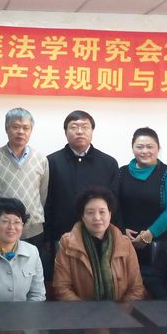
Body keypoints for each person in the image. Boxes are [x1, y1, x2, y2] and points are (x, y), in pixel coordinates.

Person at [45, 111, 119, 265]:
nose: (79, 131)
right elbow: (47, 202)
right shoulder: (51, 162)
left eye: (85, 127)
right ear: (65, 132)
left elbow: (114, 204)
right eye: (74, 127)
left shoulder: (109, 163)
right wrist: (47, 237)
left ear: (92, 131)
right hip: (61, 235)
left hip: (100, 235)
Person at [53, 186, 144, 301]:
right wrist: (84, 310)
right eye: (90, 212)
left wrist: (121, 310)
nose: (97, 217)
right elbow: (61, 288)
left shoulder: (125, 244)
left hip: (120, 310)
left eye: (102, 212)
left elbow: (136, 288)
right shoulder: (67, 243)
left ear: (110, 214)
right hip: (80, 310)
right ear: (82, 216)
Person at [0, 108, 49, 256]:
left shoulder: (41, 160)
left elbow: (42, 196)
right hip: (0, 231)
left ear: (31, 131)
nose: (21, 132)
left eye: (26, 128)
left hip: (32, 231)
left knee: (29, 268)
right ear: (6, 129)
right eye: (16, 127)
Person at [118, 127, 167, 267]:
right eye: (139, 147)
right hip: (125, 243)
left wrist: (150, 234)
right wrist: (121, 229)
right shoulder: (120, 173)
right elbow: (113, 205)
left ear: (158, 149)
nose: (144, 151)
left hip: (161, 244)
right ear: (132, 148)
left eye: (150, 147)